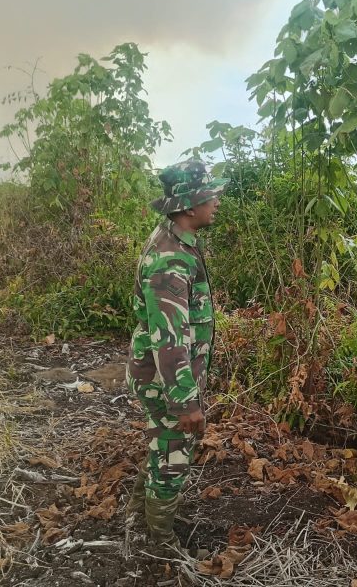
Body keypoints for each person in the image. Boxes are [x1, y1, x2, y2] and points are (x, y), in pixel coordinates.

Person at [125, 159, 227, 549]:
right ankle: (160, 542)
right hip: (164, 378)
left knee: (163, 444)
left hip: (162, 373)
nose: (216, 201)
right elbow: (168, 339)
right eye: (210, 195)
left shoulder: (178, 242)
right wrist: (185, 402)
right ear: (188, 206)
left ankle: (139, 515)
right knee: (173, 455)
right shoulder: (170, 259)